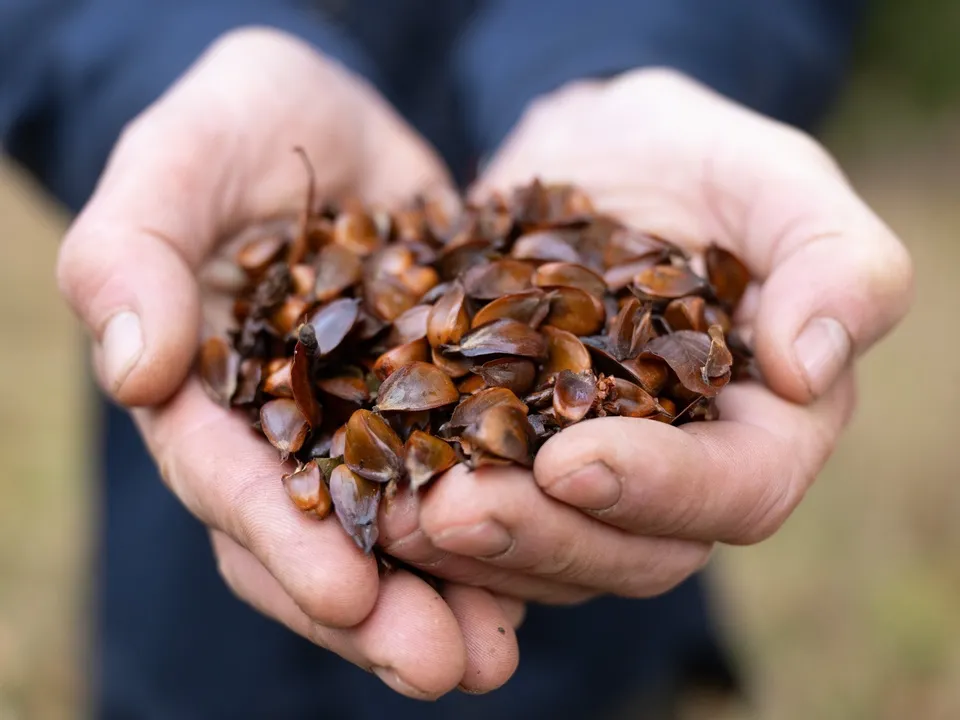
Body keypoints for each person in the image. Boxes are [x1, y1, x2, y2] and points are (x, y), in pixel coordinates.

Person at [0, 1, 914, 718]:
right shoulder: (295, 334)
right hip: (188, 625)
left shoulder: (578, 327)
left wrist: (634, 48)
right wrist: (170, 55)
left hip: (588, 639)